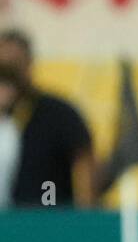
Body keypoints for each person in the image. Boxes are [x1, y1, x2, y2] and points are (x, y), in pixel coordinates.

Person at [0, 29, 95, 209]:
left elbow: (83, 160)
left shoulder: (57, 113)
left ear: (29, 65)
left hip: (49, 215)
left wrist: (86, 212)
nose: (7, 77)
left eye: (14, 67)